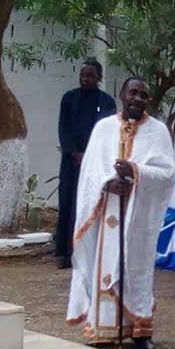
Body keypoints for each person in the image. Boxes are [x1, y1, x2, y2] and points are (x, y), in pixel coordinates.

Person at [65, 77, 175, 349]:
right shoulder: (103, 128)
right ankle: (103, 329)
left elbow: (167, 175)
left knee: (138, 269)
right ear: (122, 95)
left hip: (140, 215)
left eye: (143, 95)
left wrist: (136, 173)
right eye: (133, 92)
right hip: (108, 212)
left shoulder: (158, 131)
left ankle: (140, 330)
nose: (138, 98)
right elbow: (89, 172)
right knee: (105, 265)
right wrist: (107, 183)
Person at [55, 59, 116, 269]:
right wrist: (74, 152)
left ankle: (85, 252)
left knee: (87, 204)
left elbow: (107, 133)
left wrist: (90, 155)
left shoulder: (106, 102)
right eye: (83, 75)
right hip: (71, 162)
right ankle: (63, 252)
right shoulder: (69, 98)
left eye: (90, 75)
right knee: (66, 203)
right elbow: (63, 128)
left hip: (95, 163)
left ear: (99, 77)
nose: (85, 79)